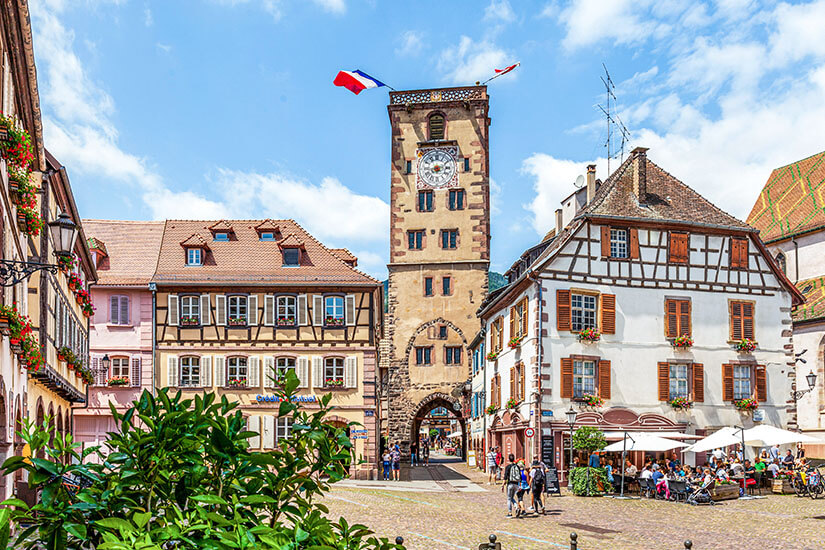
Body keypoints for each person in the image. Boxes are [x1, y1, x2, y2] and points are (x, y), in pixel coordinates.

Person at [501, 454, 520, 518]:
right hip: (516, 484)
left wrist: (503, 485)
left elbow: (505, 477)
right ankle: (516, 506)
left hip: (510, 484)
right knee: (512, 497)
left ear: (509, 459)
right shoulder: (517, 466)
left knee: (509, 498)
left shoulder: (508, 467)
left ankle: (510, 513)